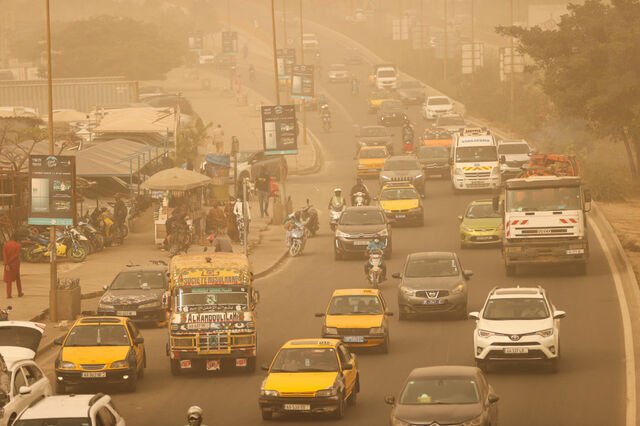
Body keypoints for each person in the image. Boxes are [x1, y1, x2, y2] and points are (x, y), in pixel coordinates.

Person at [2, 233, 23, 298]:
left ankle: (9, 294)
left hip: (8, 264)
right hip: (15, 264)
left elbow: (4, 255)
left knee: (8, 280)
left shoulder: (6, 245)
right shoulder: (18, 246)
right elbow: (17, 255)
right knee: (17, 278)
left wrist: (6, 264)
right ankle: (19, 292)